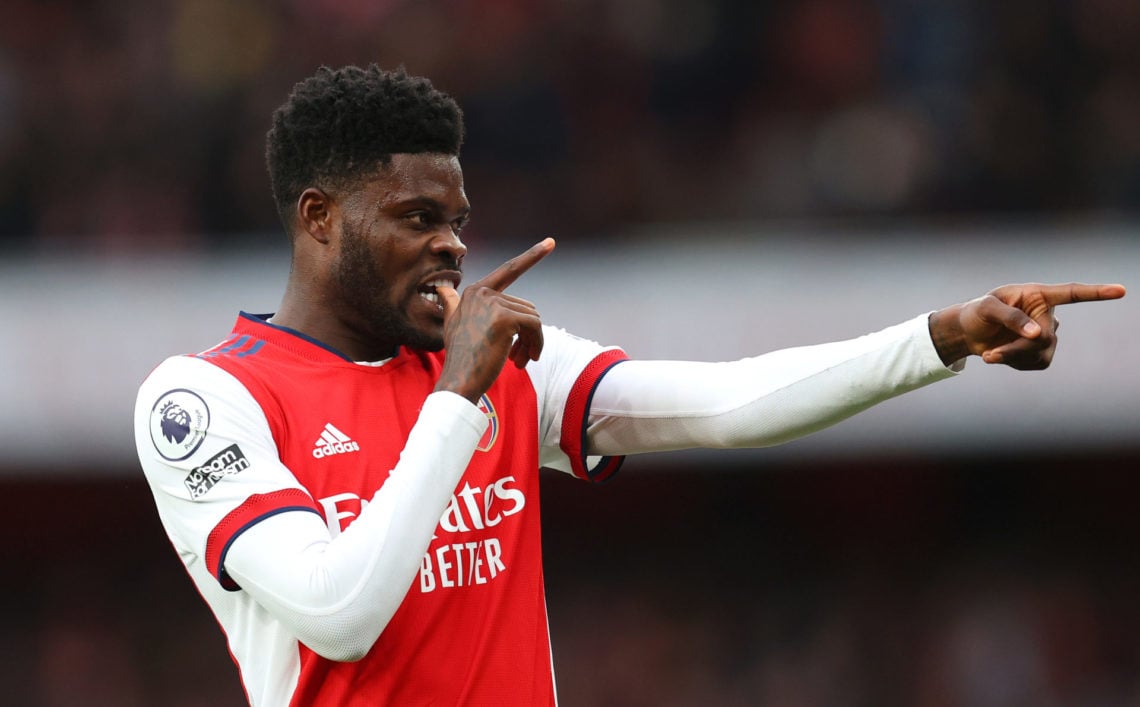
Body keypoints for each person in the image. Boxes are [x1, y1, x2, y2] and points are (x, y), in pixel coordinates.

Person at [133, 64, 1125, 707]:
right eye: (416, 218)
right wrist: (459, 395)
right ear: (318, 218)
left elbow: (729, 404)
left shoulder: (491, 362)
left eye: (457, 219)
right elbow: (340, 610)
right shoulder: (207, 401)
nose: (452, 246)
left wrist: (940, 337)